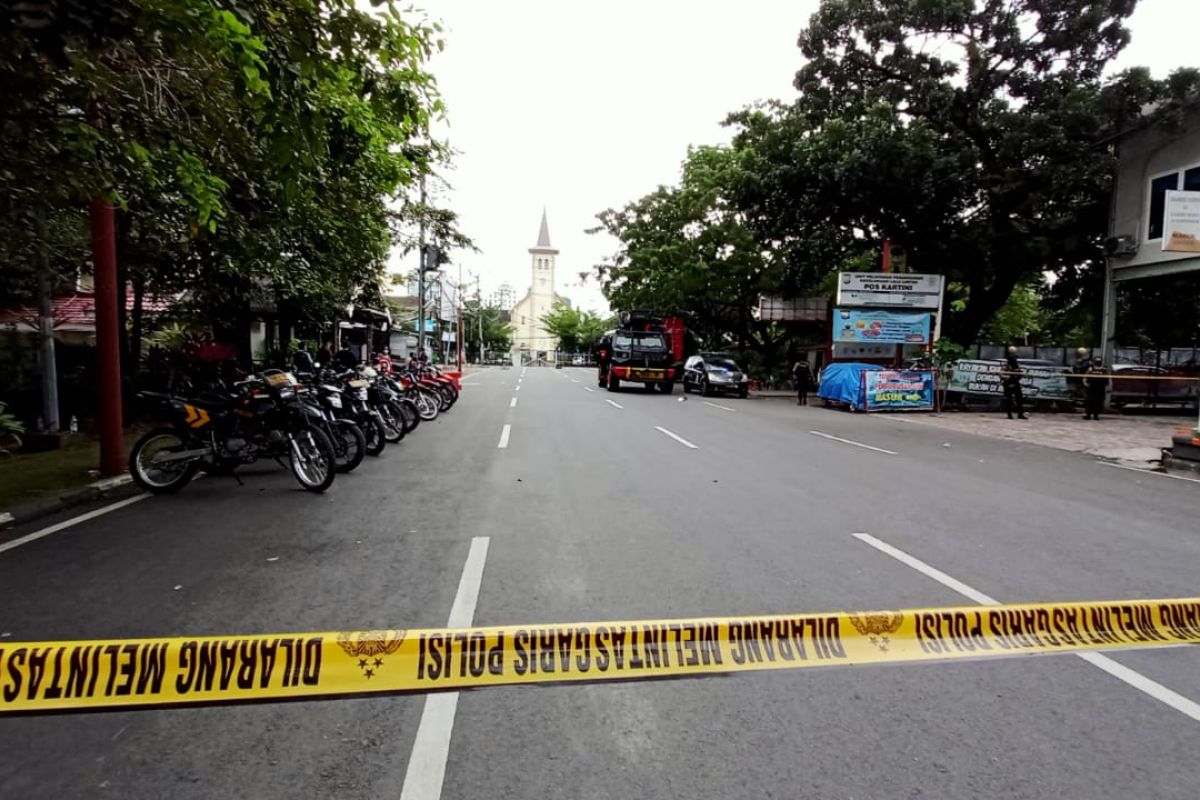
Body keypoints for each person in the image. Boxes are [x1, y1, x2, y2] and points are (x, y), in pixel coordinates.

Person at [1002, 347, 1027, 420]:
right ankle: (1010, 415)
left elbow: (1018, 373)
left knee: (1019, 399)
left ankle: (1019, 414)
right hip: (1009, 382)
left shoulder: (1014, 363)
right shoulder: (1007, 364)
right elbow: (1003, 374)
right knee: (1009, 399)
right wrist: (1009, 380)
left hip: (1015, 382)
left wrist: (1018, 375)